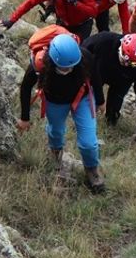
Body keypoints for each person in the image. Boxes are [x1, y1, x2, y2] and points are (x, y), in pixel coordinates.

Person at [16, 33, 105, 193]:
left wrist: (100, 101)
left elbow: (96, 78)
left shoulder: (84, 57)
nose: (68, 70)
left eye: (71, 67)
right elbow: (25, 87)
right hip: (55, 100)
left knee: (89, 142)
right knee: (55, 132)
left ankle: (92, 169)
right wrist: (24, 118)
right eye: (64, 68)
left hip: (81, 98)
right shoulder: (41, 63)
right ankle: (56, 154)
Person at [85, 31, 136, 131]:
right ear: (120, 47)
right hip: (97, 72)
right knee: (90, 103)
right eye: (124, 59)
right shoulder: (103, 41)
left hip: (122, 80)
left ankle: (110, 126)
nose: (126, 64)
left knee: (114, 108)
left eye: (131, 63)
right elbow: (82, 51)